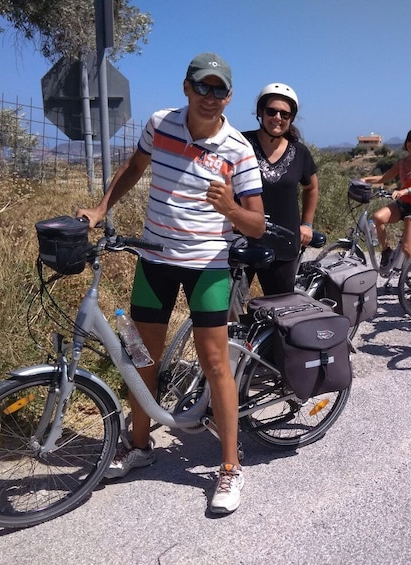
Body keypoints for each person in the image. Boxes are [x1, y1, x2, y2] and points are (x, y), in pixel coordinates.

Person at [77, 52, 265, 514]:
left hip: (208, 268)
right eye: (202, 86)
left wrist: (230, 209)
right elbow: (134, 169)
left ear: (229, 97)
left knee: (215, 363)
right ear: (186, 87)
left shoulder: (238, 149)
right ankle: (139, 446)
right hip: (155, 259)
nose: (210, 97)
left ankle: (229, 467)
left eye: (219, 90)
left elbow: (257, 224)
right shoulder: (161, 123)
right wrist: (101, 209)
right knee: (143, 356)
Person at [242, 83, 319, 295]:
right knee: (228, 308)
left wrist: (307, 224)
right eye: (271, 111)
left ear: (291, 118)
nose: (278, 117)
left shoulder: (300, 152)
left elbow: (311, 188)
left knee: (279, 310)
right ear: (260, 112)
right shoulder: (241, 144)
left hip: (283, 243)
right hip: (241, 238)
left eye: (285, 114)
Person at [361, 127, 411, 292]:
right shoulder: (401, 162)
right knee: (377, 218)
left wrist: (402, 191)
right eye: (410, 140)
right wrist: (365, 179)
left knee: (408, 247)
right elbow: (383, 178)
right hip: (402, 203)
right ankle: (386, 250)